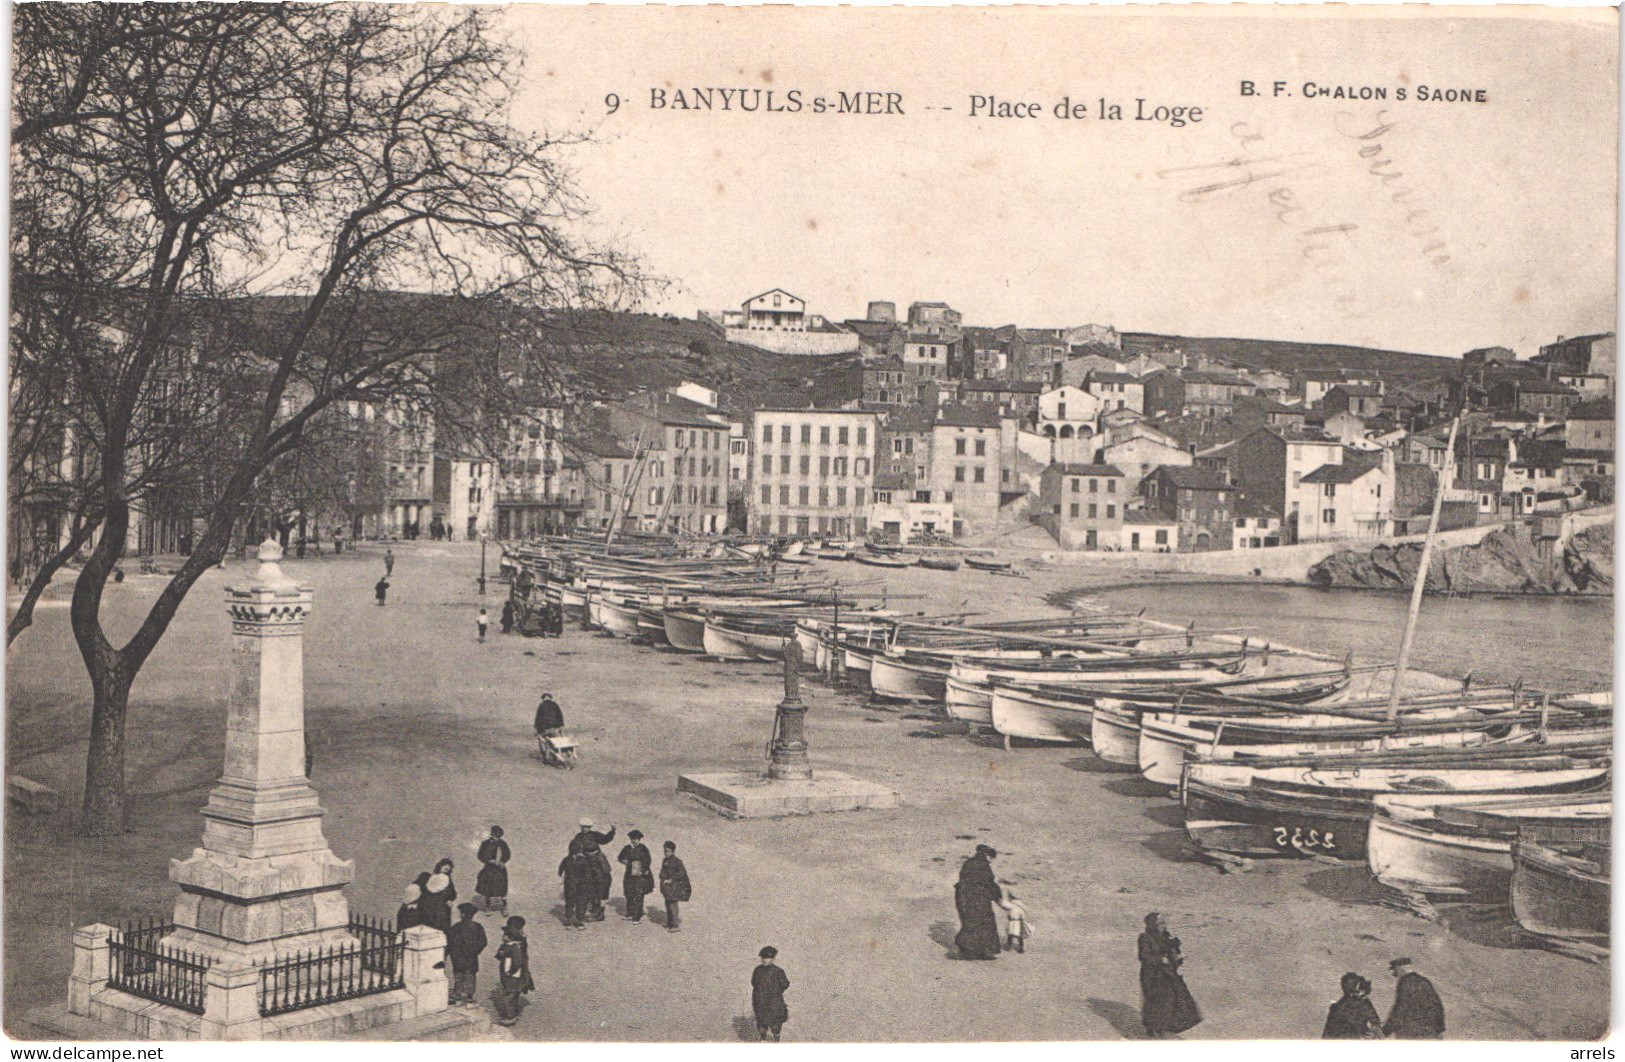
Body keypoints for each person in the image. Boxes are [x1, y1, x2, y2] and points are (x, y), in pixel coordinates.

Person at [1138, 913, 1202, 1039]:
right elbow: (1144, 956)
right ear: (1153, 925)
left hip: (1167, 974)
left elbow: (1171, 954)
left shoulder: (1166, 937)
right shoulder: (1145, 937)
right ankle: (1153, 1032)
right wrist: (1160, 959)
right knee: (1156, 1003)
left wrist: (1177, 958)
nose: (1163, 926)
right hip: (1152, 976)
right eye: (1160, 923)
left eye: (1164, 923)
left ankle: (1164, 1029)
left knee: (1175, 1000)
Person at [953, 844, 1002, 960]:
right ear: (987, 855)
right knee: (985, 923)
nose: (991, 862)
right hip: (980, 899)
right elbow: (988, 882)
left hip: (965, 897)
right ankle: (983, 951)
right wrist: (997, 896)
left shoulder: (968, 863)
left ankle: (969, 950)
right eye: (991, 859)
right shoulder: (984, 866)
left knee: (970, 921)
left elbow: (962, 880)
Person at [1383, 958, 1444, 1039]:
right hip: (1430, 1032)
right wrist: (1439, 1030)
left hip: (1410, 1033)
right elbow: (1438, 1006)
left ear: (1400, 969)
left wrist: (1386, 1030)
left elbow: (1400, 1008)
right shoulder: (1425, 981)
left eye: (1395, 971)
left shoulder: (1405, 982)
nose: (1395, 975)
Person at [569, 821, 616, 921]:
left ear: (590, 827)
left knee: (603, 884)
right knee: (590, 886)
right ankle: (592, 910)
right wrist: (577, 854)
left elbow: (605, 840)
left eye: (587, 827)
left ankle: (600, 913)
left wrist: (612, 832)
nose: (585, 829)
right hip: (587, 863)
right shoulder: (578, 837)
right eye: (583, 827)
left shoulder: (595, 835)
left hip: (599, 862)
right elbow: (573, 847)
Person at [493, 916, 534, 1026]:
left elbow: (517, 962)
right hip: (512, 974)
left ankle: (510, 1016)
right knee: (512, 993)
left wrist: (511, 971)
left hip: (514, 975)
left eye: (505, 934)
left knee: (510, 995)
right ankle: (513, 1012)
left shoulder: (516, 946)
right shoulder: (513, 943)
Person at [446, 903, 488, 1006]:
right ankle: (469, 998)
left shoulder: (455, 928)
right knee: (470, 977)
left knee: (459, 977)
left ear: (462, 915)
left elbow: (449, 943)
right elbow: (483, 942)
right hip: (471, 959)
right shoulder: (478, 927)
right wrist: (475, 951)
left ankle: (458, 997)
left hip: (458, 959)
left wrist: (450, 954)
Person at [1323, 972, 1382, 1039]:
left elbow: (1375, 1020)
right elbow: (1328, 1035)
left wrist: (1373, 1031)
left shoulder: (1364, 1001)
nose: (1362, 992)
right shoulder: (1337, 1008)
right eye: (1357, 987)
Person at [751, 946, 791, 1042]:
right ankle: (763, 1038)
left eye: (768, 958)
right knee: (761, 1022)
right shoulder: (757, 970)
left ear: (773, 959)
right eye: (763, 958)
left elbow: (785, 984)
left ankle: (776, 1040)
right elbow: (753, 982)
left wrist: (776, 992)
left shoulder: (778, 971)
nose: (765, 960)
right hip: (760, 1001)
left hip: (774, 1002)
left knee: (775, 1023)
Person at [617, 830, 655, 923]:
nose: (634, 841)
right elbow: (620, 857)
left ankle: (636, 917)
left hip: (640, 875)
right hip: (629, 874)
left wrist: (642, 870)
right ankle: (630, 913)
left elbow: (648, 860)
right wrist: (626, 862)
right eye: (632, 839)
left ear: (639, 839)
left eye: (636, 839)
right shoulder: (627, 848)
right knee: (629, 893)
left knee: (638, 894)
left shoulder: (643, 848)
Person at [476, 826, 511, 912]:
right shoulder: (485, 843)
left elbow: (507, 854)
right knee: (488, 887)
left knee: (502, 887)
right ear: (492, 833)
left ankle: (504, 907)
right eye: (495, 833)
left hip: (500, 869)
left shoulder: (503, 843)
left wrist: (502, 861)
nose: (497, 836)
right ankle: (488, 906)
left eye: (499, 834)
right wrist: (489, 860)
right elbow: (480, 855)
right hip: (489, 869)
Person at [659, 840, 691, 932]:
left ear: (673, 851)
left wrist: (672, 879)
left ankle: (675, 925)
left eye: (668, 851)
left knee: (673, 905)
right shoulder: (665, 860)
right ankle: (669, 922)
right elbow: (663, 871)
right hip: (667, 887)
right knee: (667, 904)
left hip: (674, 887)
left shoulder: (677, 861)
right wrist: (662, 877)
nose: (666, 853)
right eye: (665, 851)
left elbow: (682, 873)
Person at [558, 848, 593, 929]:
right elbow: (588, 875)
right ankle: (574, 921)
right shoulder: (583, 860)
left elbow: (560, 870)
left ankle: (572, 921)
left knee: (574, 903)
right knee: (575, 902)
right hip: (575, 885)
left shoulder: (568, 859)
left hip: (573, 885)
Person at [422, 859, 457, 933]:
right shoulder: (435, 878)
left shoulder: (445, 879)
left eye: (448, 869)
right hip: (435, 906)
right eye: (445, 867)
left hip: (439, 907)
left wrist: (449, 899)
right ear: (440, 866)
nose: (446, 869)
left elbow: (453, 893)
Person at [999, 889, 1029, 954]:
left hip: (1013, 921)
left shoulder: (1011, 904)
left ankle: (1009, 946)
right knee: (1020, 936)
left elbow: (1003, 904)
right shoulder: (1022, 906)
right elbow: (1023, 914)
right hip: (1020, 922)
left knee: (1010, 934)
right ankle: (1021, 948)